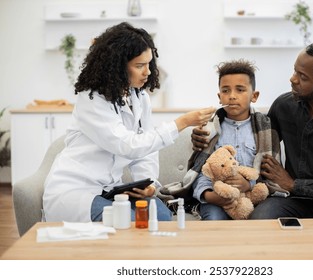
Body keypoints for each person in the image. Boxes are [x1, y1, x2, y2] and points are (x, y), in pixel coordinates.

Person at [191, 41, 313, 255]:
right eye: (295, 70)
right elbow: (256, 136)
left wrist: (293, 184)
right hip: (294, 201)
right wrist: (205, 136)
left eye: (303, 77)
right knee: (259, 221)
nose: (293, 79)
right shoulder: (285, 105)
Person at [43, 22, 215, 223]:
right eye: (139, 66)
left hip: (110, 191)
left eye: (149, 64)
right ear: (117, 67)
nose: (148, 72)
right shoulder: (91, 99)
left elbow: (145, 152)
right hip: (76, 190)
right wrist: (181, 123)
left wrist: (148, 185)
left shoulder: (139, 98)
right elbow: (127, 145)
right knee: (131, 222)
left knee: (160, 214)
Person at [189, 59, 282, 220]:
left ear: (254, 96)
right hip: (217, 197)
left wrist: (249, 185)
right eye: (225, 91)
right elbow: (202, 171)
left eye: (240, 90)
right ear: (219, 96)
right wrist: (210, 196)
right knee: (213, 220)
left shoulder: (267, 130)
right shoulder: (209, 130)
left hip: (253, 196)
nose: (232, 96)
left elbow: (272, 175)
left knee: (260, 219)